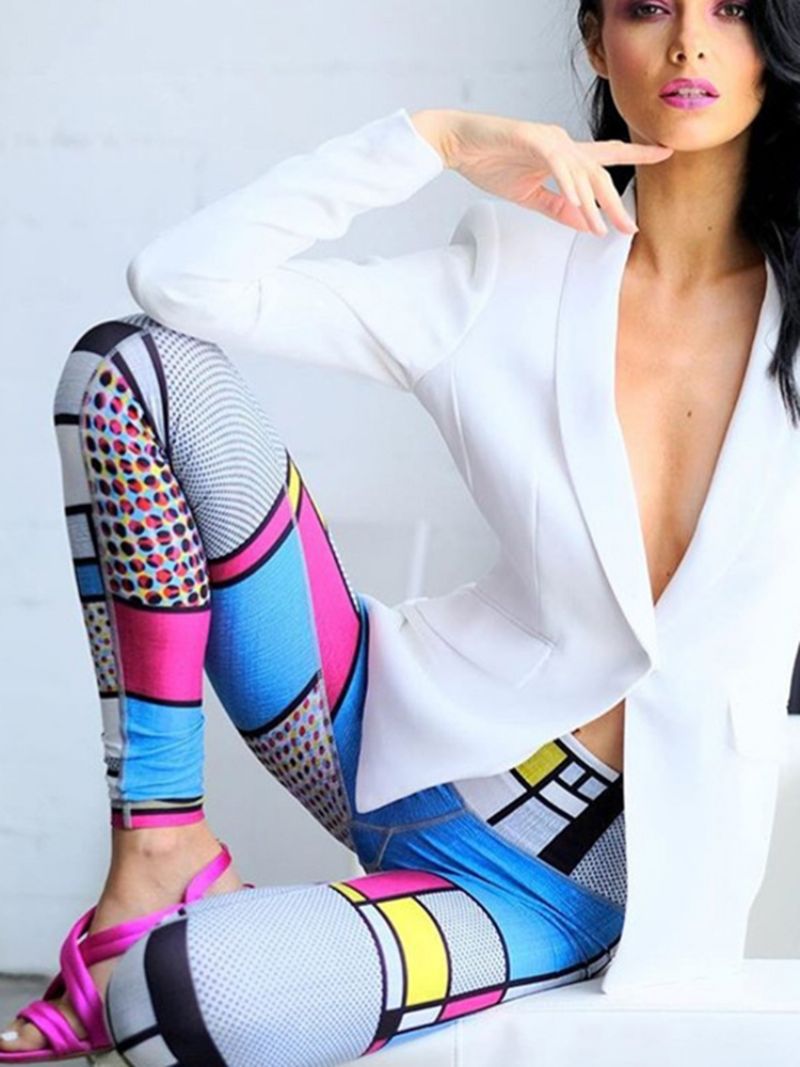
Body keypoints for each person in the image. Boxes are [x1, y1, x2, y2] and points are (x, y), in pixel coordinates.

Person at [2, 0, 792, 1062]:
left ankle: (207, 932)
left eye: (733, 9)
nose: (689, 39)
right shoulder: (512, 267)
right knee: (131, 367)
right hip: (371, 723)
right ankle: (161, 844)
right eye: (649, 6)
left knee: (170, 999)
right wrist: (434, 139)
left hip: (544, 887)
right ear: (596, 40)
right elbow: (181, 284)